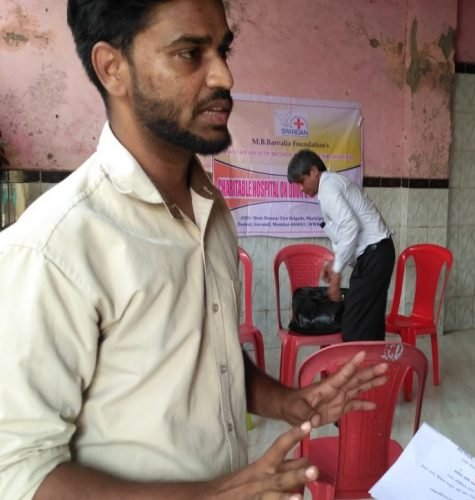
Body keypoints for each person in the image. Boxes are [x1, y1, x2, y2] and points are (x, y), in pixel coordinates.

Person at [0, 1, 389, 499]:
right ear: (112, 68)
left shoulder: (212, 210)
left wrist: (289, 402)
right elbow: (20, 475)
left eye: (223, 49)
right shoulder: (54, 248)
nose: (224, 75)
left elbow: (213, 359)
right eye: (189, 53)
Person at [287, 149, 396, 342]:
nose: (301, 189)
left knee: (355, 325)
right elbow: (344, 231)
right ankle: (375, 369)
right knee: (369, 323)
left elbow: (350, 226)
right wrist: (335, 261)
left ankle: (361, 370)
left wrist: (337, 273)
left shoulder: (328, 188)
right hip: (376, 255)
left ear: (314, 171)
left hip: (375, 255)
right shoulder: (329, 187)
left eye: (301, 181)